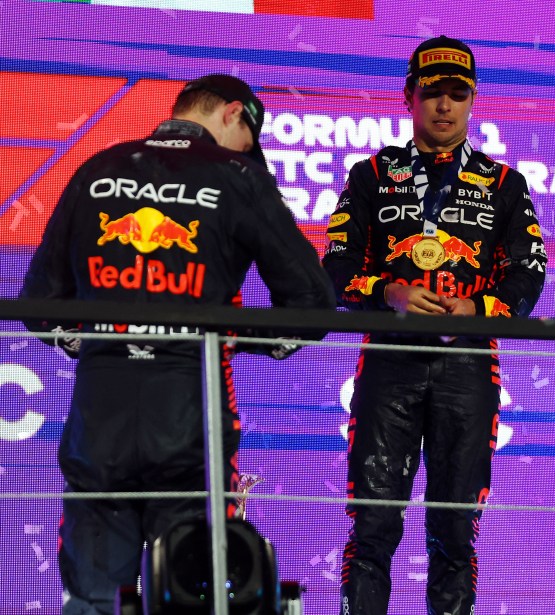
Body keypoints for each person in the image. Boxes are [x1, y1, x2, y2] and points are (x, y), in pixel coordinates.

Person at [19, 74, 336, 614]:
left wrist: (110, 338)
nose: (249, 152)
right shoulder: (237, 176)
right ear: (234, 115)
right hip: (191, 425)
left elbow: (38, 306)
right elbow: (312, 305)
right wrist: (227, 336)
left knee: (93, 603)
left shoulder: (99, 167)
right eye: (249, 140)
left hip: (100, 420)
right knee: (191, 599)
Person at [322, 35, 547, 615]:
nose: (444, 106)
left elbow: (528, 276)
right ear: (408, 97)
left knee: (454, 531)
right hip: (389, 363)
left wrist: (481, 308)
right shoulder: (371, 174)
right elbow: (336, 268)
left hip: (468, 367)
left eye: (457, 94)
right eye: (432, 93)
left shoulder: (504, 184)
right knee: (372, 528)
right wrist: (386, 291)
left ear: (473, 101)